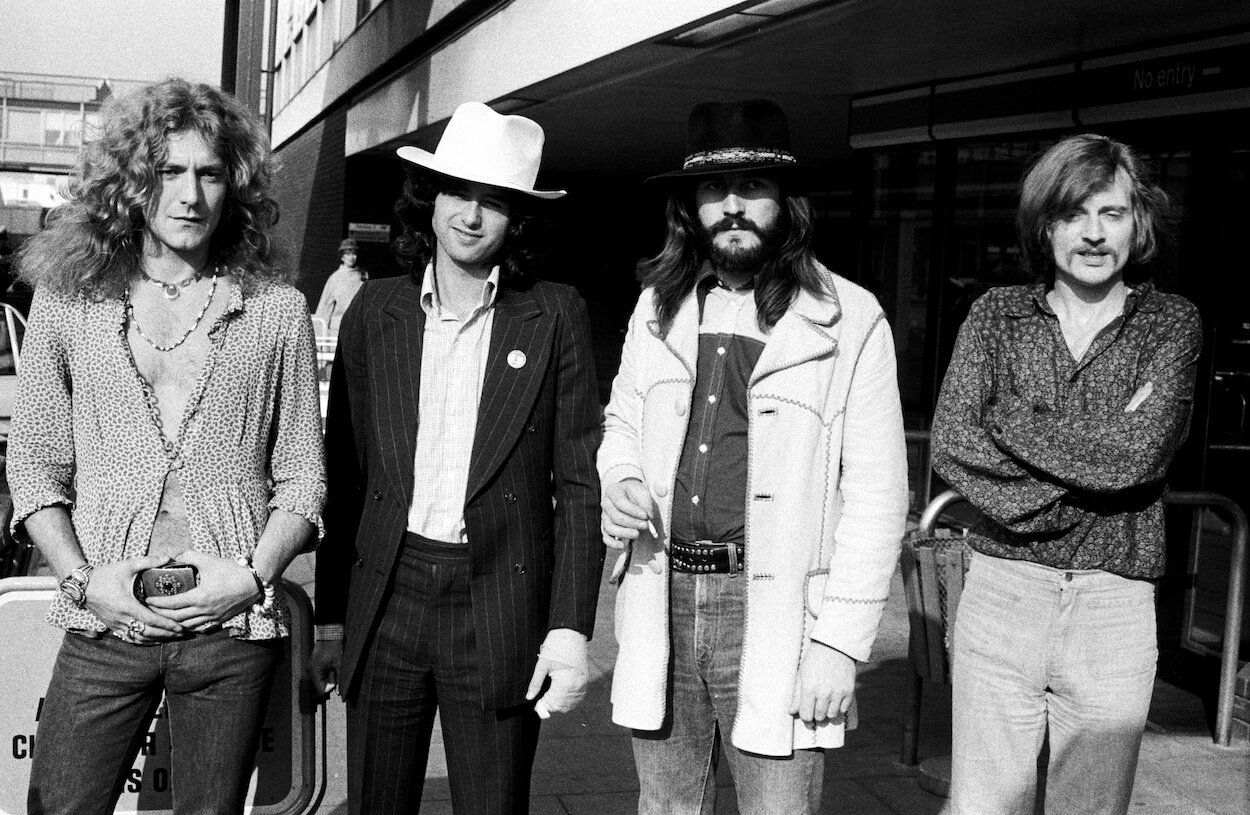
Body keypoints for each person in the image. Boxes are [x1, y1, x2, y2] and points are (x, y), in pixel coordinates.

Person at [7, 78, 325, 815]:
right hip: (103, 618)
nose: (190, 194)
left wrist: (251, 576)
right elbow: (33, 464)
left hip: (231, 626)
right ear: (129, 182)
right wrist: (85, 581)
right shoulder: (69, 301)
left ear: (234, 185)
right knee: (57, 805)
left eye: (209, 173)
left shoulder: (277, 312)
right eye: (167, 171)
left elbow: (303, 476)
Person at [599, 99, 908, 815]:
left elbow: (878, 494)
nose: (732, 206)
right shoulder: (657, 306)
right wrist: (619, 476)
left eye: (753, 187)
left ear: (786, 202)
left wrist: (839, 642)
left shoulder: (850, 319)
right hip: (662, 591)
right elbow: (620, 421)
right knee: (667, 806)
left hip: (774, 612)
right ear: (691, 206)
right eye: (714, 189)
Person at [308, 101, 603, 815]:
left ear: (517, 220)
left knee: (493, 803)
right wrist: (330, 618)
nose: (471, 216)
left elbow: (579, 483)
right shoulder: (376, 312)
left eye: (494, 203)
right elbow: (344, 477)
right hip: (389, 595)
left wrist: (569, 627)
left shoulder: (555, 312)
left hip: (497, 601)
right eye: (459, 193)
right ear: (430, 201)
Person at [931, 134, 1200, 815]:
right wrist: (1093, 466)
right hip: (1001, 592)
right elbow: (955, 444)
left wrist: (1013, 420)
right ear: (1044, 224)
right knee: (983, 807)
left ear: (1137, 222)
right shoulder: (997, 315)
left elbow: (1140, 455)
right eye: (1073, 214)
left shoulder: (1169, 323)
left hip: (1114, 605)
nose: (1092, 233)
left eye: (1110, 213)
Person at [314, 237, 368, 335]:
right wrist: (320, 335)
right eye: (347, 254)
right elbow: (325, 307)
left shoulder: (363, 275)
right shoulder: (335, 278)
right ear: (342, 257)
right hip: (338, 329)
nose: (351, 257)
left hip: (358, 328)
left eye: (354, 253)